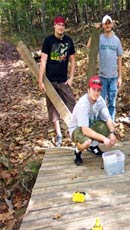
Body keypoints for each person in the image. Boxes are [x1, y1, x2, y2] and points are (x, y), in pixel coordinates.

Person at [39, 15, 76, 147]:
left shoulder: (68, 41)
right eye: (58, 24)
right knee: (53, 108)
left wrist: (71, 77)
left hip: (64, 81)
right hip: (50, 81)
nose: (61, 27)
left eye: (63, 25)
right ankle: (59, 134)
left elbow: (72, 60)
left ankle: (74, 132)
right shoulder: (48, 41)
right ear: (54, 26)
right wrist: (41, 80)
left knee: (72, 105)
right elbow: (43, 61)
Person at [68, 75, 117, 166]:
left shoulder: (100, 100)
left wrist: (112, 133)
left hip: (90, 125)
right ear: (88, 90)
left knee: (106, 127)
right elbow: (85, 130)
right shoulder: (84, 104)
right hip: (77, 129)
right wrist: (103, 139)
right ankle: (77, 152)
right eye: (94, 89)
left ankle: (93, 147)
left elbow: (108, 118)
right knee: (87, 142)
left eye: (98, 90)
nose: (96, 93)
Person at [87, 15, 123, 122]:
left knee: (112, 102)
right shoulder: (100, 38)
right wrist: (94, 31)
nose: (107, 25)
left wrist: (120, 77)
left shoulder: (116, 40)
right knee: (100, 101)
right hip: (102, 76)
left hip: (113, 76)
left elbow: (120, 58)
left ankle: (110, 122)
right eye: (105, 23)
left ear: (112, 24)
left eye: (109, 23)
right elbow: (89, 46)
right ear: (103, 25)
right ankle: (100, 122)